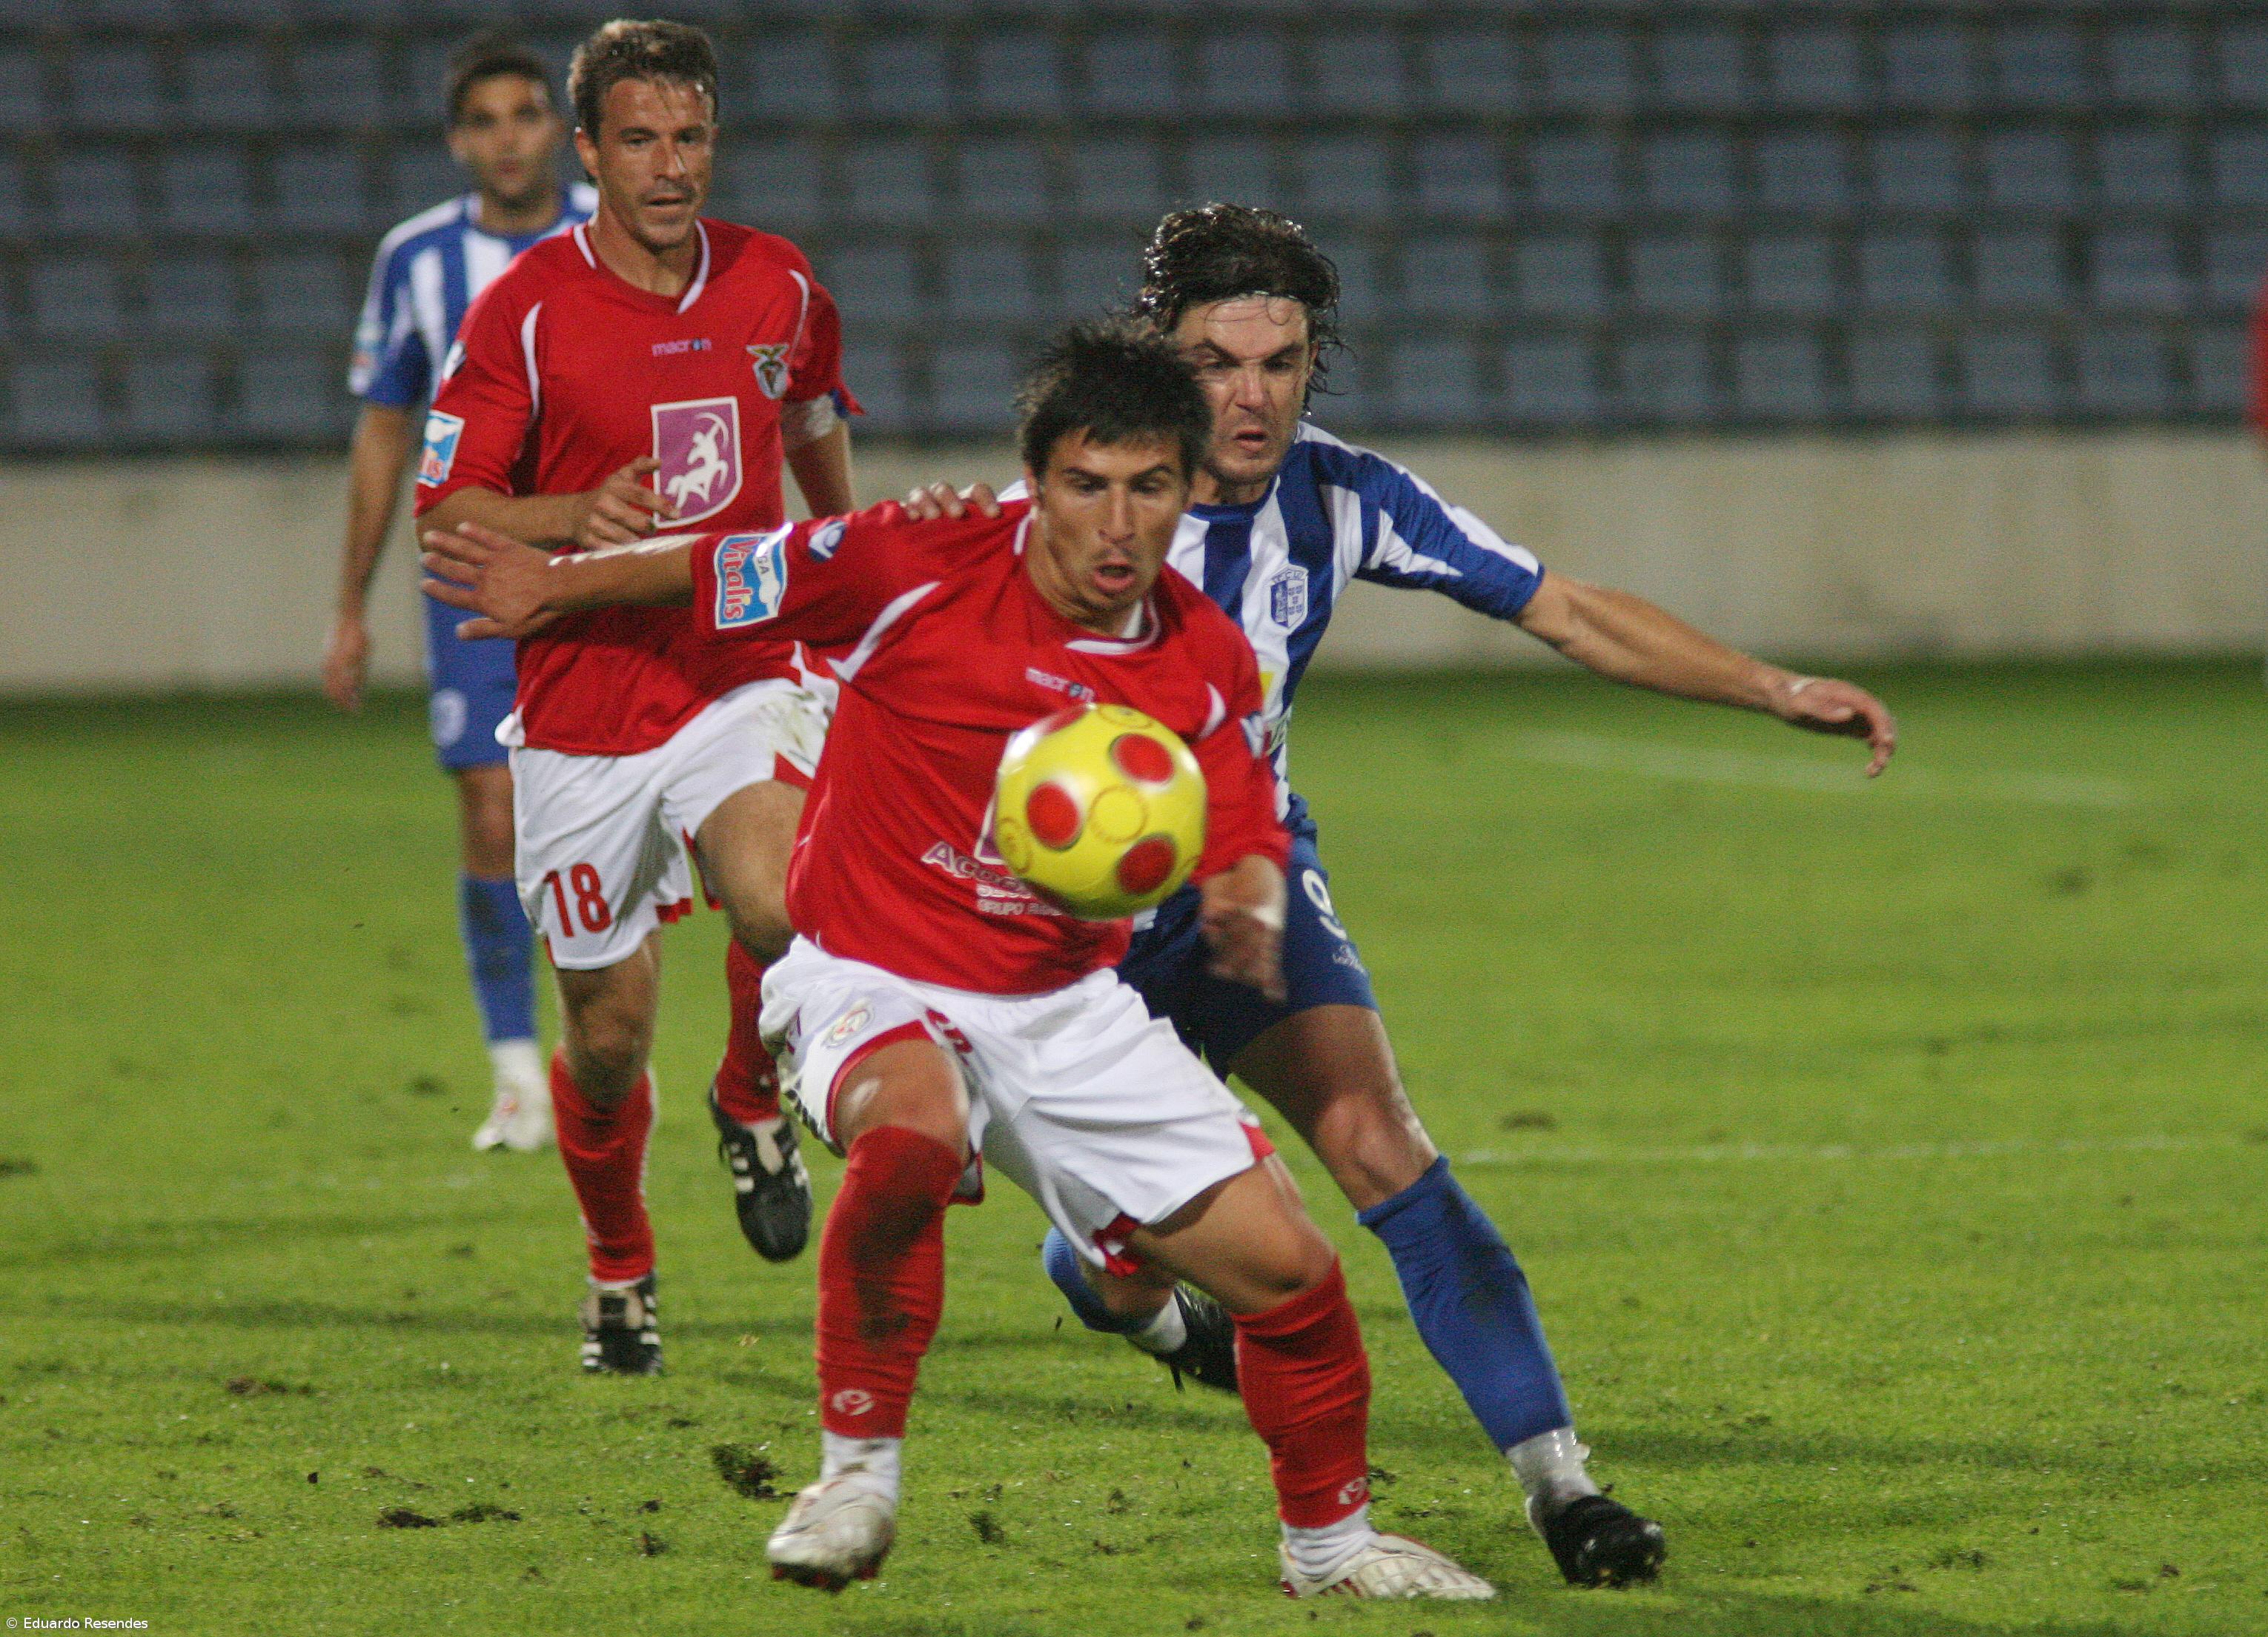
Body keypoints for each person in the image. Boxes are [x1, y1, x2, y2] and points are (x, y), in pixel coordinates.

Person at [420, 321, 1497, 1602]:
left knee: (1293, 1276)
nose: (1117, 524)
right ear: (1034, 481)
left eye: (1150, 487)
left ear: (1189, 488)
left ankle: (1330, 1547)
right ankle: (856, 1476)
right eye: (1087, 485)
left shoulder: (1195, 652)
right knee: (915, 1134)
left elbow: (1243, 807)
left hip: (1061, 1003)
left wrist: (1253, 882)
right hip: (866, 968)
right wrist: (556, 589)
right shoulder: (907, 562)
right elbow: (727, 565)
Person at [908, 204, 1900, 1588]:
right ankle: (1113, 1289)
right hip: (1052, 927)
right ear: (1159, 363)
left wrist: (1773, 686)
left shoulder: (1346, 496)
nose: (1251, 397)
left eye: (1283, 360)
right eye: (1217, 361)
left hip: (1245, 873)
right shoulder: (1059, 520)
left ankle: (1565, 1488)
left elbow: (1568, 607)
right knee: (1125, 1260)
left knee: (1381, 1136)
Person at [412, 19, 858, 1371]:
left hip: (739, 667)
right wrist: (573, 517)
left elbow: (814, 417)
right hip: (583, 705)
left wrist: (854, 581)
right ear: (590, 149)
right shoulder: (525, 311)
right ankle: (621, 1267)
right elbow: (452, 515)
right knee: (605, 1042)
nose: (673, 168)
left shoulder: (778, 283)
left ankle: (746, 1089)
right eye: (643, 141)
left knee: (786, 900)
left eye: (694, 138)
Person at [323, 33, 595, 1155]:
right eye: (483, 121)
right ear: (457, 140)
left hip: (603, 563)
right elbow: (385, 435)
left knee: (613, 820)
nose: (506, 139)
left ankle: (607, 1053)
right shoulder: (416, 260)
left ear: (557, 129)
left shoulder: (612, 228)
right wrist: (350, 605)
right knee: (493, 811)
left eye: (524, 114)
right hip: (471, 565)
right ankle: (522, 1074)